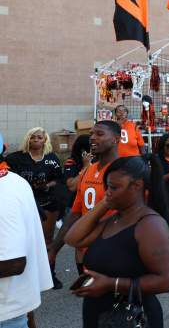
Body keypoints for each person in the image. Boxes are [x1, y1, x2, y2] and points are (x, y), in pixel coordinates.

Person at [65, 156, 169, 328]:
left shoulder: (151, 225)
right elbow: (73, 239)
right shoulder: (113, 219)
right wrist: (106, 202)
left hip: (132, 317)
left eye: (114, 187)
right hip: (99, 315)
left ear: (137, 186)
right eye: (107, 187)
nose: (107, 192)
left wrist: (110, 284)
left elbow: (165, 281)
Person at [48, 121, 120, 277]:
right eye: (91, 134)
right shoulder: (88, 170)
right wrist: (54, 249)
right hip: (85, 252)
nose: (92, 138)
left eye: (99, 134)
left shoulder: (123, 170)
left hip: (113, 251)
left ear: (116, 139)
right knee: (90, 298)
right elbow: (75, 213)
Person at [6, 127, 64, 289]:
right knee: (23, 240)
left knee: (47, 241)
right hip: (24, 203)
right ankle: (25, 275)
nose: (36, 139)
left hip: (48, 202)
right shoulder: (15, 158)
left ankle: (50, 274)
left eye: (40, 137)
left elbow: (59, 179)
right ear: (28, 139)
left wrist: (46, 186)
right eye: (33, 137)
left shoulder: (52, 158)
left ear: (45, 140)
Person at [0, 158, 53, 328]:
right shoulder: (14, 181)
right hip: (14, 307)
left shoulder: (4, 193)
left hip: (5, 313)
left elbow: (14, 264)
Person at [63, 134, 93, 200]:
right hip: (74, 201)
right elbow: (72, 187)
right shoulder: (71, 162)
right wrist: (85, 167)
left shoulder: (96, 160)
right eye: (91, 148)